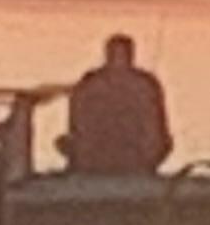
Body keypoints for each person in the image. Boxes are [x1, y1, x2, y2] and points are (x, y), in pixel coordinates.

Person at [65, 33, 173, 177]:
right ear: (131, 55)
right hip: (130, 159)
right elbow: (156, 129)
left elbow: (76, 126)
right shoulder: (146, 84)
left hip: (96, 160)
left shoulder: (88, 84)